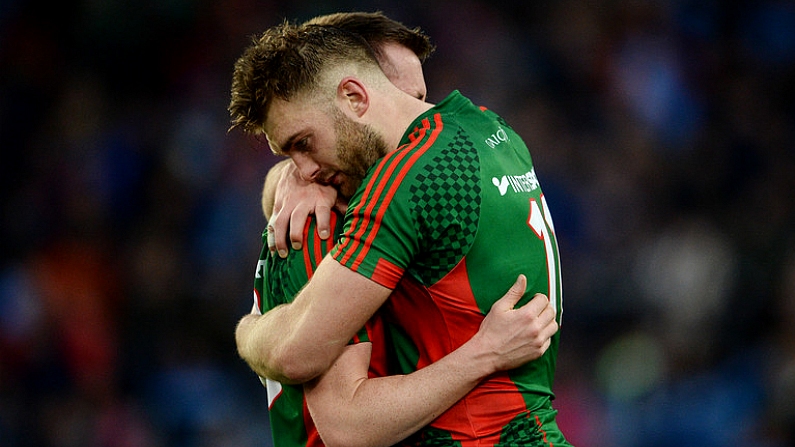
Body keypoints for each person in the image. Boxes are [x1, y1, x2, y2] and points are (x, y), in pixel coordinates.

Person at [230, 20, 571, 446]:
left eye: (304, 143)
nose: (305, 171)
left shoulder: (403, 181)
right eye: (290, 155)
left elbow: (296, 356)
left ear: (355, 96)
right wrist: (284, 179)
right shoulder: (493, 131)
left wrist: (249, 328)